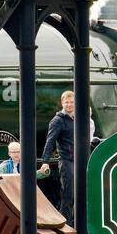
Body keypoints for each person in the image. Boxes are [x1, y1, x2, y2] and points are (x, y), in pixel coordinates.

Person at [40, 91, 97, 225]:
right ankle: (65, 223)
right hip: (67, 160)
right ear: (62, 103)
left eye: (72, 102)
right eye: (67, 102)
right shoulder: (57, 121)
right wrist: (45, 161)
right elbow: (50, 141)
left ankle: (80, 222)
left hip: (82, 160)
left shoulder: (79, 118)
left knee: (83, 192)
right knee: (68, 193)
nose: (69, 104)